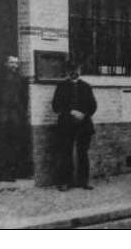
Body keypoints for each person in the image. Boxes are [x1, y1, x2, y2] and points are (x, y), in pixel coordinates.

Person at [51, 60, 97, 190]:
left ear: (80, 71)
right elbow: (56, 106)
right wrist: (71, 111)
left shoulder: (86, 87)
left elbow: (93, 106)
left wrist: (83, 114)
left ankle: (84, 181)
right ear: (67, 72)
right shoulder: (61, 87)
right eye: (71, 70)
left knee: (83, 153)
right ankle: (66, 182)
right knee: (65, 153)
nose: (74, 73)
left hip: (84, 125)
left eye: (76, 70)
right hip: (66, 125)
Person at [0, 55, 27, 180]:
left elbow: (24, 98)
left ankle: (14, 172)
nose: (14, 65)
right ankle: (2, 172)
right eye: (11, 63)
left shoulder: (20, 79)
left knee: (15, 142)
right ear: (6, 64)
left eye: (16, 63)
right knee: (2, 142)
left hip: (16, 115)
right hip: (2, 114)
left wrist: (22, 112)